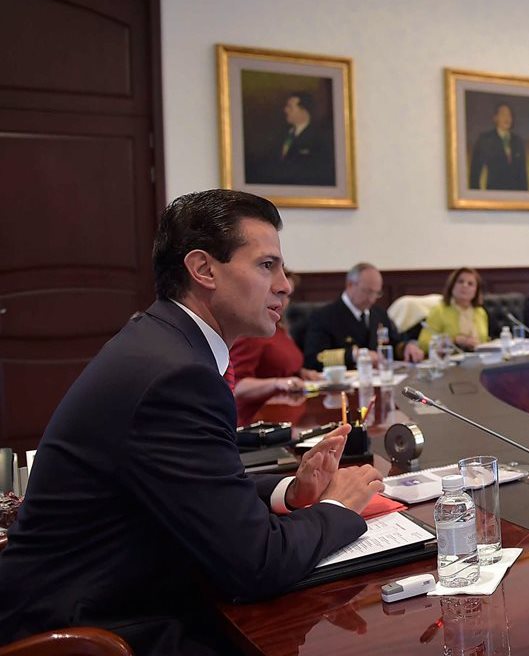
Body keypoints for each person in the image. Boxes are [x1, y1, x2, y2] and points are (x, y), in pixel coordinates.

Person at [0, 190, 383, 656]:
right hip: (88, 627)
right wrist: (339, 507)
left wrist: (289, 494)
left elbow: (195, 484)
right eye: (267, 266)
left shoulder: (162, 342)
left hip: (99, 595)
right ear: (203, 270)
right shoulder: (175, 376)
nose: (285, 285)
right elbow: (256, 564)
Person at [229, 270, 322, 426]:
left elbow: (280, 365)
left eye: (288, 296)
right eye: (279, 294)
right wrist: (279, 383)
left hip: (287, 417)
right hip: (258, 423)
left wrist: (301, 373)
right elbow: (236, 387)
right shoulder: (251, 331)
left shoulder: (277, 327)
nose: (284, 302)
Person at [303, 263, 425, 370]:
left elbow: (394, 342)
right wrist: (355, 355)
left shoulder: (378, 314)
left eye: (377, 293)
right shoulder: (324, 316)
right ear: (350, 285)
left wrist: (406, 348)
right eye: (367, 291)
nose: (372, 299)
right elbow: (314, 358)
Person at [258, 92, 335, 186]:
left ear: (304, 111)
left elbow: (319, 172)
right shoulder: (280, 134)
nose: (285, 110)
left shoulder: (320, 137)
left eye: (290, 107)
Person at [417, 267, 489, 353]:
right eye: (460, 282)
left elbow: (484, 341)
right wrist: (454, 340)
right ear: (452, 286)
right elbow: (423, 344)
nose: (465, 286)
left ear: (476, 291)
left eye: (470, 284)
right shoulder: (439, 311)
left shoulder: (480, 312)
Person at [468, 102, 528, 191]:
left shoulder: (518, 141)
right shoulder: (485, 140)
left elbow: (523, 174)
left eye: (509, 115)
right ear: (495, 118)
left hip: (516, 196)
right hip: (494, 193)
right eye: (503, 114)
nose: (507, 118)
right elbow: (475, 172)